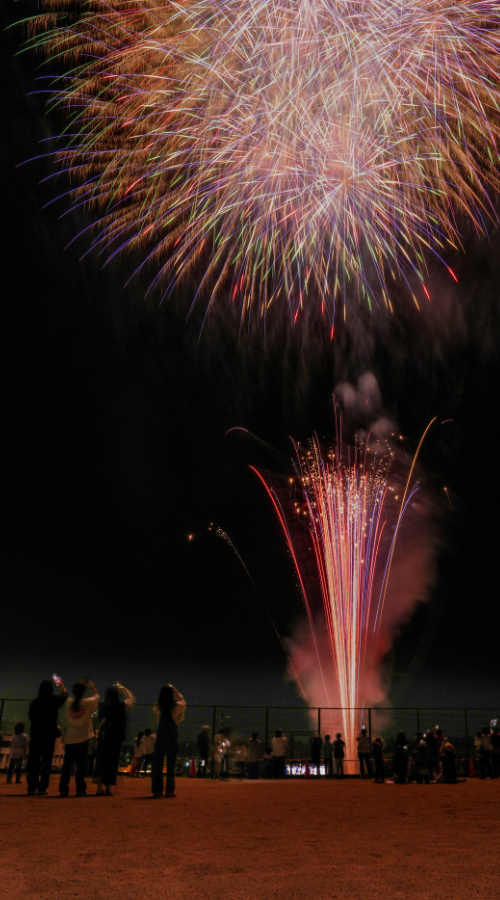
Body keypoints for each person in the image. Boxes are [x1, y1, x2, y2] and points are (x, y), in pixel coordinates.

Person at [26, 676, 68, 796]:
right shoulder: (54, 700)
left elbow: (31, 717)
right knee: (46, 762)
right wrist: (60, 683)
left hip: (36, 735)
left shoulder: (35, 702)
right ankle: (42, 788)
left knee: (33, 762)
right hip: (49, 735)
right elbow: (64, 695)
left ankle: (31, 787)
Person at [59, 678, 99, 797]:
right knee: (81, 766)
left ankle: (63, 790)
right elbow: (96, 695)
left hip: (70, 739)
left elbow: (64, 694)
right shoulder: (88, 703)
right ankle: (80, 790)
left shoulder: (69, 702)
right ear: (84, 693)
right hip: (83, 738)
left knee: (67, 766)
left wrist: (61, 683)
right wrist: (90, 684)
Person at [94, 682, 135, 796]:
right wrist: (123, 688)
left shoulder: (102, 705)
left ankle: (99, 787)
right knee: (113, 761)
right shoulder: (121, 705)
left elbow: (104, 701)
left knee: (101, 761)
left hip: (104, 735)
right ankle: (108, 787)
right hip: (116, 736)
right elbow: (130, 699)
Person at [152, 683, 186, 798]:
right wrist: (176, 691)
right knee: (171, 763)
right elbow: (182, 701)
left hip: (161, 733)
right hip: (172, 733)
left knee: (158, 763)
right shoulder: (176, 706)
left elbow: (157, 707)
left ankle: (157, 790)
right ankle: (169, 791)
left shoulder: (158, 706)